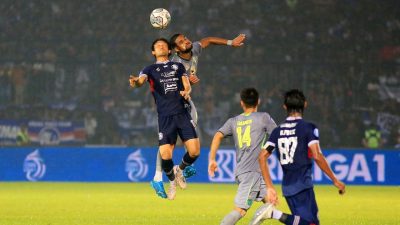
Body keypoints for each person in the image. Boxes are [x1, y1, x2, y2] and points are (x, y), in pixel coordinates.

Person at [150, 33, 247, 197]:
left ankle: (180, 168)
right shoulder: (174, 63)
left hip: (185, 102)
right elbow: (166, 83)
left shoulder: (193, 49)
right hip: (170, 106)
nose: (186, 41)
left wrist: (231, 42)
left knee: (193, 140)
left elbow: (208, 40)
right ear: (175, 50)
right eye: (181, 42)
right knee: (168, 145)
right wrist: (186, 80)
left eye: (185, 38)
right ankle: (158, 177)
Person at [251, 89, 346, 225]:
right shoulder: (309, 128)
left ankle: (273, 213)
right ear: (305, 104)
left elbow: (262, 157)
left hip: (288, 186)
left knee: (307, 222)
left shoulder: (278, 131)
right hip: (302, 184)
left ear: (285, 106)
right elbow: (317, 155)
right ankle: (272, 213)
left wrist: (270, 187)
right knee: (310, 224)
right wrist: (335, 180)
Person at [129, 38, 200, 200]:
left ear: (169, 50)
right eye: (157, 46)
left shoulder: (178, 66)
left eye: (164, 45)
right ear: (153, 52)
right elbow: (141, 81)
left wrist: (187, 90)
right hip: (165, 117)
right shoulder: (150, 69)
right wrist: (135, 82)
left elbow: (186, 83)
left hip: (182, 113)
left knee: (194, 151)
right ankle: (172, 181)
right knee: (166, 155)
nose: (161, 46)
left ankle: (180, 170)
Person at [208, 88, 277, 225]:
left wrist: (212, 159)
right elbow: (277, 134)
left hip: (246, 171)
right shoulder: (263, 117)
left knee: (270, 203)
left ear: (241, 103)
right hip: (251, 172)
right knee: (240, 210)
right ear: (258, 101)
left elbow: (217, 135)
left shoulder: (234, 121)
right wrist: (268, 150)